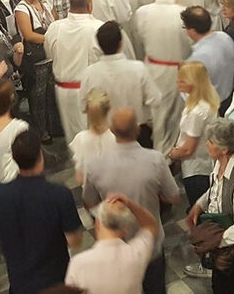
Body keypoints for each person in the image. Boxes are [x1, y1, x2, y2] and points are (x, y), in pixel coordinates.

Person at [83, 108, 180, 294]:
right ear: (137, 130)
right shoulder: (155, 160)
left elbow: (88, 202)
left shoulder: (95, 164)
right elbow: (173, 196)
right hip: (150, 245)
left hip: (116, 247)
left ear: (111, 130)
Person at [0, 129, 83, 294]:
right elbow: (75, 240)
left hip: (19, 283)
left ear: (14, 158)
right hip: (56, 282)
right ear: (40, 157)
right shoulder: (59, 194)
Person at [186, 117, 234, 293]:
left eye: (211, 142)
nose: (207, 144)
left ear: (224, 149)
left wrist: (214, 241)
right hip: (222, 253)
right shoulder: (219, 162)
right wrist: (199, 204)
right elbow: (216, 189)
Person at [131, 0, 190, 153]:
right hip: (177, 71)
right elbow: (190, 43)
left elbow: (137, 40)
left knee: (157, 114)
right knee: (174, 116)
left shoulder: (142, 12)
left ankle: (159, 151)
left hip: (151, 68)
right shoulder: (184, 13)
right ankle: (168, 154)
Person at [80, 21, 160, 146]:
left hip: (104, 136)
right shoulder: (138, 69)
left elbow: (84, 106)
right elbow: (155, 100)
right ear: (121, 43)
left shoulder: (89, 73)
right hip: (136, 132)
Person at [65, 193, 158, 294]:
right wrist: (129, 203)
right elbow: (150, 225)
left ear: (97, 223)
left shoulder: (78, 263)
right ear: (125, 228)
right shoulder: (136, 253)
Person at [44, 0, 102, 143]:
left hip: (63, 91)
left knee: (74, 139)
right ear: (90, 6)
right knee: (95, 137)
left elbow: (49, 55)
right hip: (90, 91)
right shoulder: (97, 27)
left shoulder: (55, 27)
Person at [168, 61, 220, 205]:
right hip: (205, 166)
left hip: (196, 169)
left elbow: (188, 149)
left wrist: (169, 154)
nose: (177, 81)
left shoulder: (197, 112)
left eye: (182, 79)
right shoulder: (207, 103)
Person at [14, 0, 57, 145]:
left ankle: (54, 125)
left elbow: (56, 21)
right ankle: (41, 130)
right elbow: (29, 34)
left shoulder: (47, 1)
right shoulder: (21, 8)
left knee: (51, 92)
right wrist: (53, 39)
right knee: (37, 96)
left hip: (51, 54)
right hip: (36, 58)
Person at [183, 5, 234, 109]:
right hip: (230, 98)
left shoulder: (197, 56)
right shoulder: (225, 37)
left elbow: (192, 91)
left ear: (192, 30)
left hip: (210, 105)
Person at [69, 89, 115, 185]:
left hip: (89, 193)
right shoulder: (116, 138)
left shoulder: (80, 139)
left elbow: (79, 177)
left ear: (86, 110)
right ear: (109, 108)